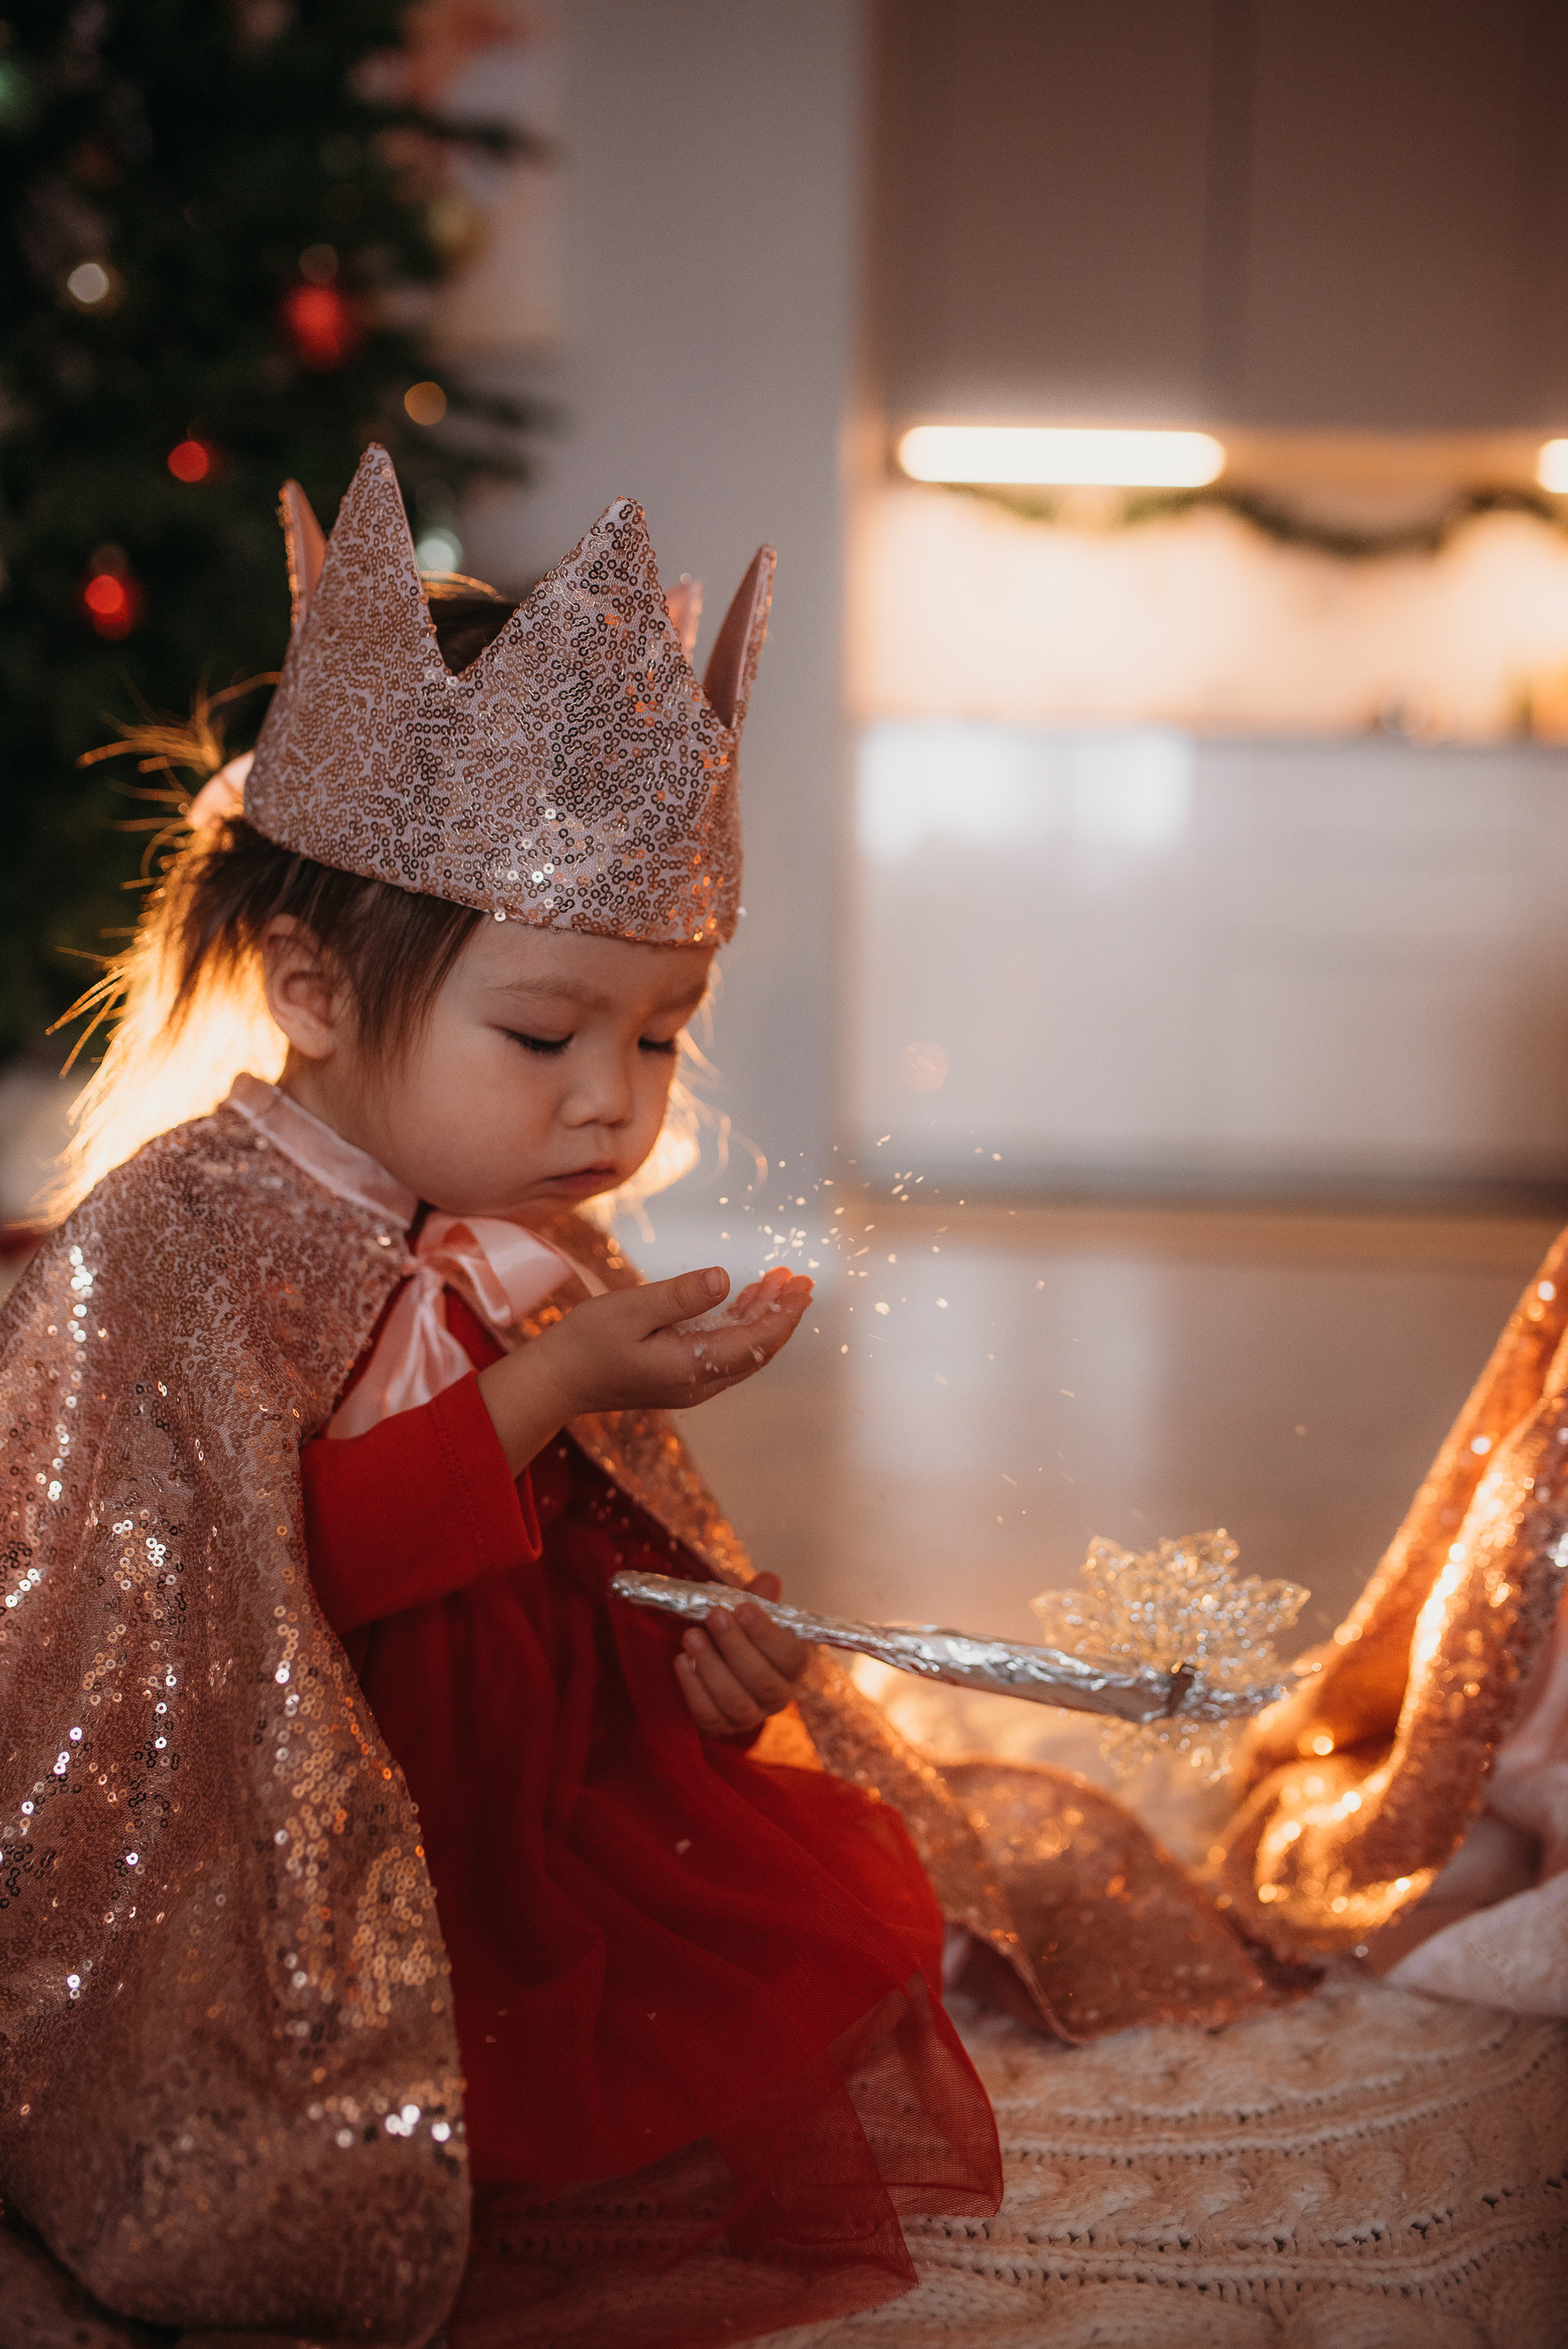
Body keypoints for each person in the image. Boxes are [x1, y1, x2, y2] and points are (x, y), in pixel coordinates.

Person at [0, 449, 1002, 2348]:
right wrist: (545, 1386)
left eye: (659, 1035)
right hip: (303, 1868)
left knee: (800, 1933)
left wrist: (693, 1657)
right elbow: (269, 1609)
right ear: (307, 987)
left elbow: (579, 1556)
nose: (613, 1101)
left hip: (525, 1785)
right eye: (545, 1036)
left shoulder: (527, 1230)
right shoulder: (178, 1243)